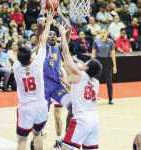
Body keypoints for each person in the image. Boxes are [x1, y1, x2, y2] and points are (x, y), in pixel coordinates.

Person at [13, 11, 54, 150]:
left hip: (25, 108)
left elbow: (26, 55)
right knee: (37, 135)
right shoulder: (37, 63)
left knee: (21, 140)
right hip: (41, 105)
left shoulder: (16, 66)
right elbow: (43, 41)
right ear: (30, 56)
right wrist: (48, 22)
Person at [58, 23, 102, 149]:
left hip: (81, 120)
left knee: (65, 148)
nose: (83, 63)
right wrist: (64, 81)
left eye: (85, 62)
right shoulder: (95, 83)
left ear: (86, 67)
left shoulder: (80, 75)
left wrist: (62, 33)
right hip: (94, 120)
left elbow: (66, 53)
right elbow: (79, 90)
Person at [36, 2, 72, 149]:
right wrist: (43, 9)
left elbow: (68, 27)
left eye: (53, 34)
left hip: (57, 86)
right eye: (49, 33)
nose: (51, 35)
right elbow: (39, 23)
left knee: (73, 107)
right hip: (43, 87)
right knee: (41, 119)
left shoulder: (59, 47)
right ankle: (38, 134)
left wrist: (58, 12)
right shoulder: (41, 46)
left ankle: (65, 138)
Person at [92, 28, 117, 104]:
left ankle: (110, 99)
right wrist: (92, 63)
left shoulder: (110, 42)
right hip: (99, 60)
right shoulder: (96, 41)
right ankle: (93, 98)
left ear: (107, 33)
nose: (102, 34)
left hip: (107, 61)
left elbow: (113, 54)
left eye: (104, 32)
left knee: (109, 80)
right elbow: (93, 54)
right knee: (96, 81)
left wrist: (114, 66)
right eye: (101, 32)